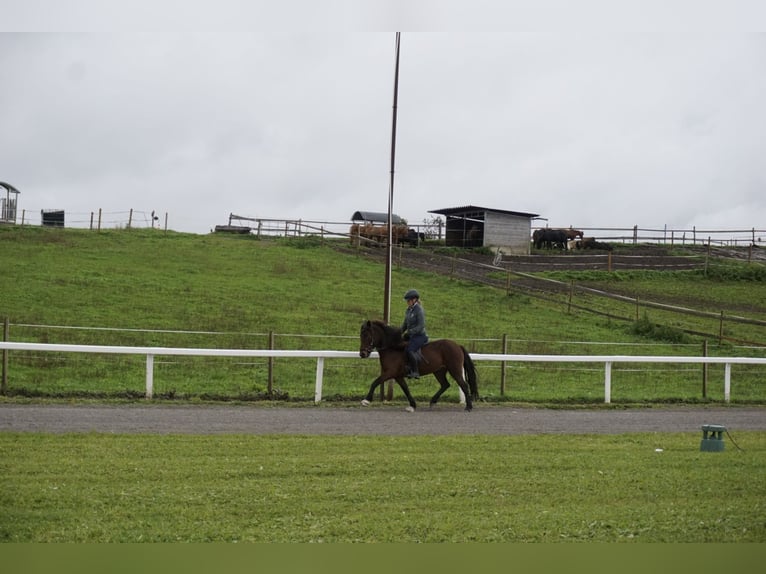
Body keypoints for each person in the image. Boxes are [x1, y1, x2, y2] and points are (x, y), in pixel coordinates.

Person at [401, 289, 428, 378]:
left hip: (420, 336)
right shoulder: (408, 310)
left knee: (410, 349)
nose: (407, 302)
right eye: (407, 300)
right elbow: (405, 324)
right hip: (411, 336)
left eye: (408, 300)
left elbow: (421, 326)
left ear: (414, 300)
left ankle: (415, 371)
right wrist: (398, 333)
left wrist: (410, 332)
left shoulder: (419, 310)